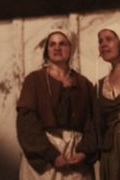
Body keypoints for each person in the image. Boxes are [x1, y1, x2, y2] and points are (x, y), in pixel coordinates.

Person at [16, 29, 97, 179]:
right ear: (47, 50)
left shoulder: (84, 83)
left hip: (76, 152)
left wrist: (83, 152)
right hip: (45, 151)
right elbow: (27, 123)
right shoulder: (34, 80)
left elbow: (93, 123)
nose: (57, 48)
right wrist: (51, 155)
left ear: (71, 48)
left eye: (62, 44)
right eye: (52, 44)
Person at [96, 23, 120, 180]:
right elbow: (99, 125)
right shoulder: (99, 85)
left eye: (109, 39)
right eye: (100, 41)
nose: (103, 44)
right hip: (112, 154)